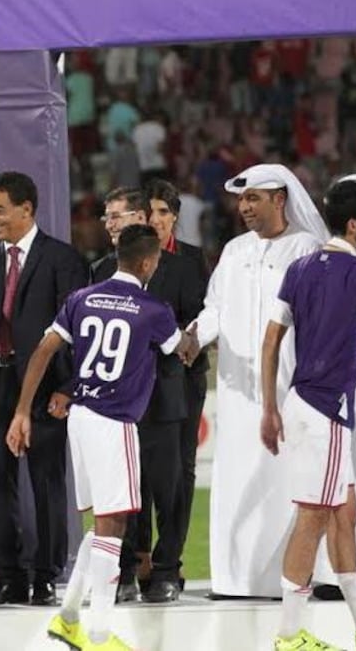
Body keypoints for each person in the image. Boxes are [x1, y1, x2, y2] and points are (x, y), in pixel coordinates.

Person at [11, 224, 196, 651]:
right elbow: (179, 349)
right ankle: (98, 634)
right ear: (149, 262)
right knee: (115, 526)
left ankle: (69, 616)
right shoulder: (153, 307)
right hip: (115, 421)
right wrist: (197, 331)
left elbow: (43, 350)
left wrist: (22, 410)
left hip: (81, 416)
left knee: (102, 522)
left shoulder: (81, 298)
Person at [260, 176, 356, 651]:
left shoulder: (300, 268)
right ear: (355, 222)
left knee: (344, 513)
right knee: (314, 517)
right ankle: (290, 635)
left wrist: (270, 407)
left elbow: (271, 339)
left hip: (301, 404)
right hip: (327, 410)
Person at [190, 163, 327, 597]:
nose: (244, 207)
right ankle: (234, 580)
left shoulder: (306, 248)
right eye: (242, 199)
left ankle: (285, 580)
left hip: (289, 391)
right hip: (235, 391)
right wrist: (195, 337)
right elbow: (215, 307)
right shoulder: (233, 250)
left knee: (285, 484)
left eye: (253, 199)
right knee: (235, 481)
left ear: (280, 199)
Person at [0, 172, 88, 607]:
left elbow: (78, 331)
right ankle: (8, 577)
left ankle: (46, 576)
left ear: (26, 209)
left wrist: (68, 386)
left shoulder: (63, 259)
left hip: (47, 388)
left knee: (47, 483)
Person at [90, 187, 205, 603]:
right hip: (119, 400)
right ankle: (125, 569)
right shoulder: (101, 269)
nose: (111, 224)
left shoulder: (181, 267)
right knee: (125, 486)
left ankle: (166, 569)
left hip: (167, 392)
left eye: (118, 216)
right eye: (108, 217)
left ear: (137, 218)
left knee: (169, 485)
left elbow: (195, 323)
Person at [144, 179, 211, 590]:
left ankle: (169, 561)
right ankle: (141, 560)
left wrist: (181, 340)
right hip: (137, 383)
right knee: (139, 475)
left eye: (163, 213)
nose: (156, 221)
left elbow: (201, 314)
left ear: (175, 217)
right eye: (150, 213)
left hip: (182, 377)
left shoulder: (190, 260)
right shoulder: (126, 257)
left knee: (179, 472)